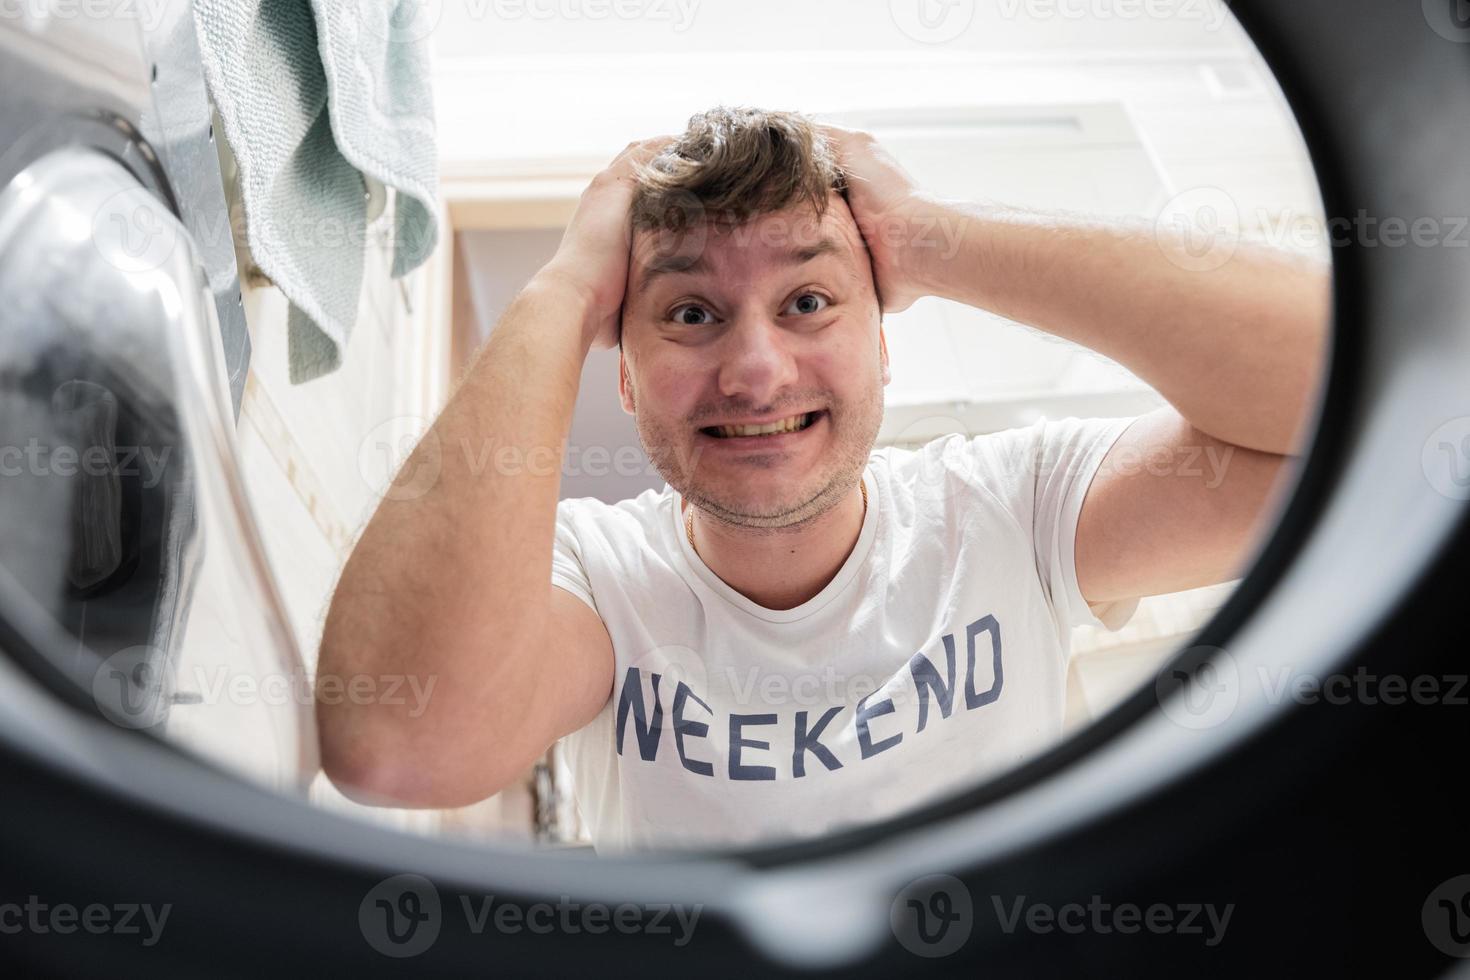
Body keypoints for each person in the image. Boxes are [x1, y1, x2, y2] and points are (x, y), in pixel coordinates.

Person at [316, 106, 1329, 852]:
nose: (756, 368)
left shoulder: (1013, 507)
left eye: (807, 298)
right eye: (691, 313)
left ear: (886, 349)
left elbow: (1353, 396)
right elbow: (397, 746)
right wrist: (569, 285)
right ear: (622, 377)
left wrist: (933, 238)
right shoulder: (600, 578)